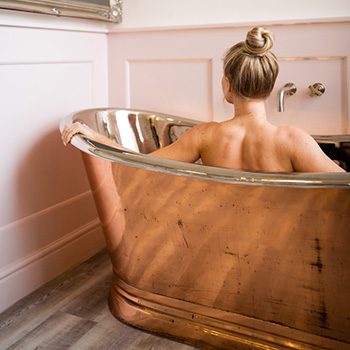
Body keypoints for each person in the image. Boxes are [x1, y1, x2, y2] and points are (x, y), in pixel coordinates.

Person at [62, 26, 345, 173]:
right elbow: (341, 184)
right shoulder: (293, 141)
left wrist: (96, 137)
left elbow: (140, 162)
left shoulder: (205, 136)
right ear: (270, 88)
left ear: (227, 85)